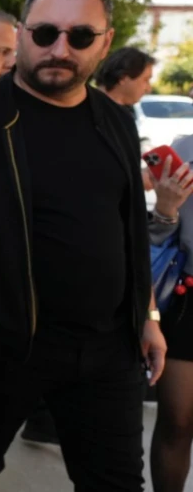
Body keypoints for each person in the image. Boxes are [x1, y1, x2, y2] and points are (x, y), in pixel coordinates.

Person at [0, 0, 166, 492]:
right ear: (23, 34)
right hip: (4, 347)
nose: (60, 49)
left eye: (81, 36)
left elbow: (128, 227)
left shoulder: (116, 120)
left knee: (116, 483)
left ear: (106, 42)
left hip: (107, 351)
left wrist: (147, 315)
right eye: (45, 34)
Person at [147, 135, 193, 492]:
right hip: (187, 298)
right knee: (177, 421)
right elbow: (158, 237)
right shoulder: (186, 148)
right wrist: (166, 208)